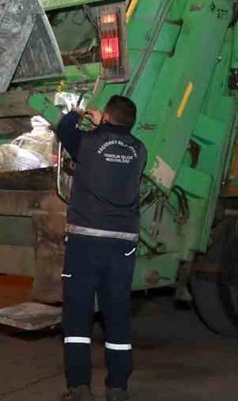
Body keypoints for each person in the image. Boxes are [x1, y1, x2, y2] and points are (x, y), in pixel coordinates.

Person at [55, 95, 147, 401]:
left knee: (78, 314)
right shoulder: (139, 151)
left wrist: (81, 113)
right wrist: (103, 125)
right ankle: (117, 387)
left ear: (106, 116)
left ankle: (79, 386)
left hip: (86, 240)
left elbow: (64, 126)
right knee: (117, 313)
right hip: (122, 244)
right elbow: (117, 149)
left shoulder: (89, 144)